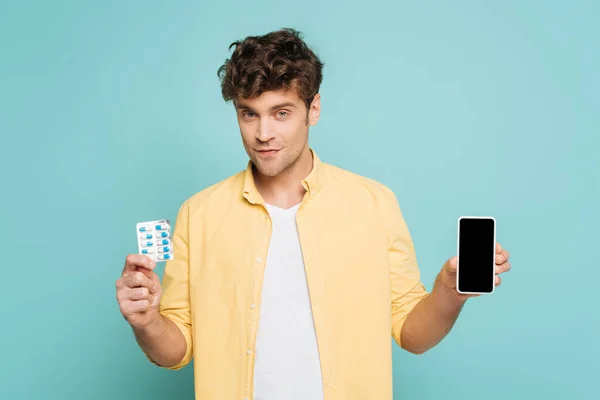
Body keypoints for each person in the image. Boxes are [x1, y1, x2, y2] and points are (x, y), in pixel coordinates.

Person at [115, 28, 511, 400]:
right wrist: (147, 322)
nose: (263, 133)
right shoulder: (198, 214)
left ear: (313, 109)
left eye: (281, 113)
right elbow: (174, 351)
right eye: (248, 113)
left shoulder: (374, 203)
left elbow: (412, 335)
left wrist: (449, 291)